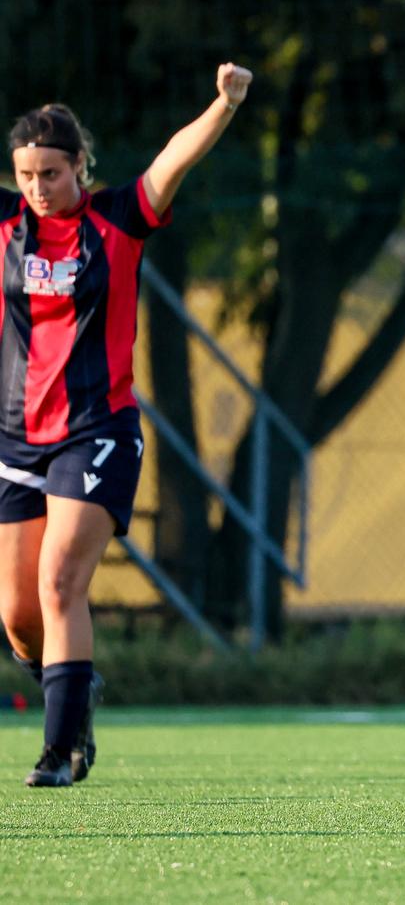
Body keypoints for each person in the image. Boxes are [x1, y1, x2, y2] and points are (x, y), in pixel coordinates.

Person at [1, 64, 253, 787]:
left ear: (79, 166)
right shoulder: (6, 226)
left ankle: (58, 751)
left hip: (96, 429)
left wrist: (223, 105)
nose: (37, 187)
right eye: (25, 174)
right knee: (20, 619)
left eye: (51, 172)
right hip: (16, 438)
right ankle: (75, 695)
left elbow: (172, 159)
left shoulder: (117, 219)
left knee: (60, 583)